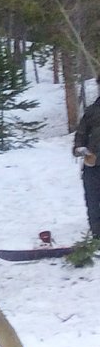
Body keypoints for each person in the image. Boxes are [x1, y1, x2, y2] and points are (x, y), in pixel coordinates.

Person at [73, 81, 100, 237]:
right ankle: (97, 236)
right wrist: (80, 149)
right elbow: (80, 135)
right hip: (93, 166)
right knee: (93, 201)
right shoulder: (91, 111)